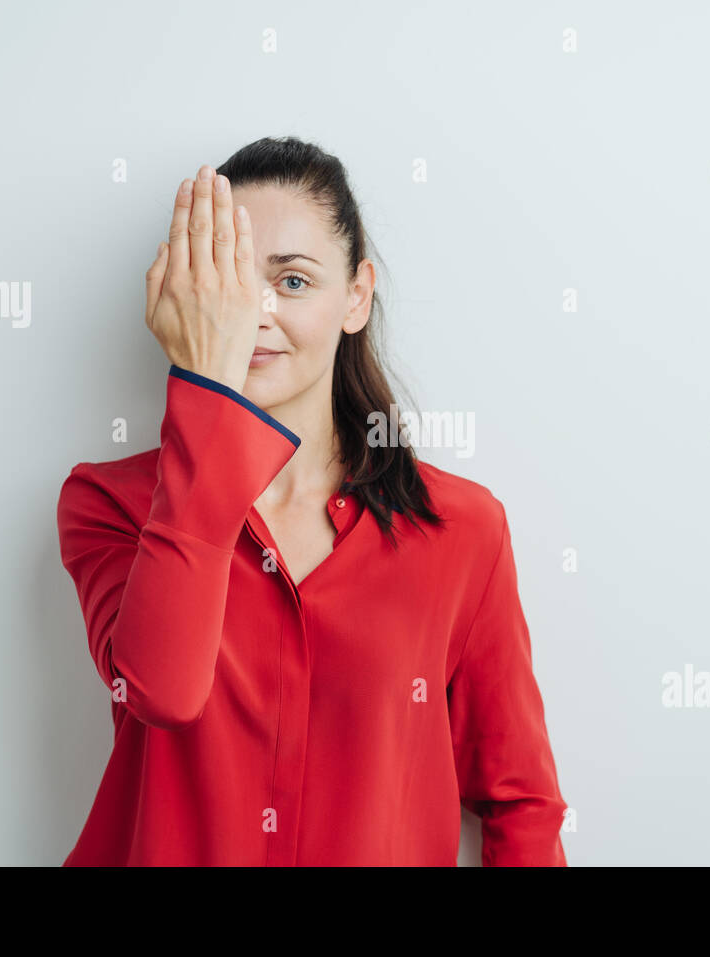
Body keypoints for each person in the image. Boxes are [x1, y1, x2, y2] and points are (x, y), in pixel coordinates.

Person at [57, 136, 568, 865]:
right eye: (231, 284)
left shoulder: (463, 531)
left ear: (355, 297)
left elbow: (520, 802)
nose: (256, 314)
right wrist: (206, 386)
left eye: (292, 281)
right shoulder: (109, 503)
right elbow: (164, 690)